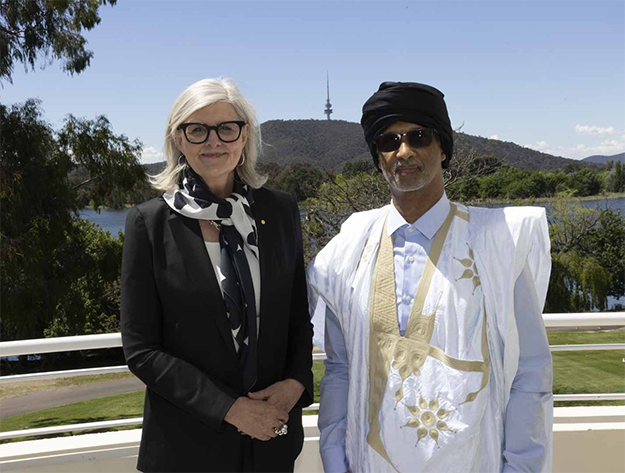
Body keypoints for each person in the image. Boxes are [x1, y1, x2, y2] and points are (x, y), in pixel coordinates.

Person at [307, 82, 553, 473]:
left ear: (443, 148)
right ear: (378, 158)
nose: (403, 151)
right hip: (368, 462)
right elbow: (340, 368)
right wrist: (335, 459)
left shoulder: (498, 241)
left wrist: (521, 468)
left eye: (418, 136)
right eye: (388, 141)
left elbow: (529, 371)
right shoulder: (348, 250)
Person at [121, 78, 313, 473]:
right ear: (178, 139)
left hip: (271, 445)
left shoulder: (279, 212)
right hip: (186, 449)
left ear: (245, 137)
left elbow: (296, 315)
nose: (214, 141)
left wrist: (296, 383)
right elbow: (142, 350)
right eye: (198, 129)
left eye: (227, 127)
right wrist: (230, 409)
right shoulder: (148, 224)